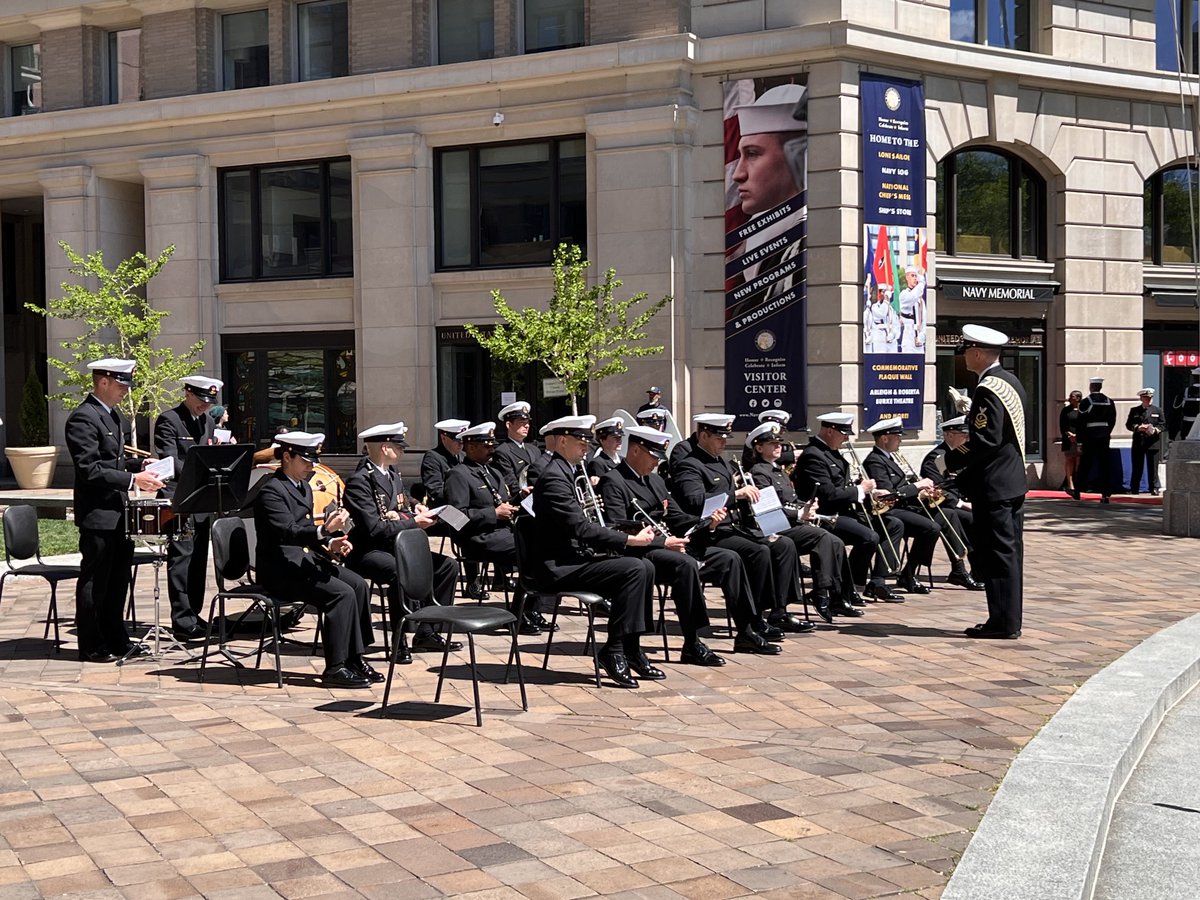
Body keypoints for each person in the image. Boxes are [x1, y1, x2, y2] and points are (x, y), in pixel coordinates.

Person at [599, 426, 763, 665]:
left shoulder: (654, 480)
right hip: (643, 551)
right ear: (635, 451)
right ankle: (692, 640)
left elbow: (675, 515)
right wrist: (662, 542)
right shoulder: (613, 480)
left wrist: (707, 523)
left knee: (728, 558)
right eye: (653, 456)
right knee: (684, 565)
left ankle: (746, 628)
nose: (656, 462)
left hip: (669, 544)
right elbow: (618, 528)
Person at [527, 415, 659, 689]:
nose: (586, 447)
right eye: (580, 441)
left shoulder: (568, 473)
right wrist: (627, 540)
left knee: (644, 565)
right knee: (633, 568)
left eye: (587, 441)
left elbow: (586, 525)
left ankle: (630, 646)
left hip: (575, 557)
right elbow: (581, 528)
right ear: (563, 441)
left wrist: (628, 534)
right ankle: (614, 650)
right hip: (560, 567)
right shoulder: (554, 479)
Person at [253, 432, 380, 687]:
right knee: (340, 594)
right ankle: (335, 667)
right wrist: (325, 531)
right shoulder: (271, 491)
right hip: (280, 568)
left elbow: (307, 531)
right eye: (306, 460)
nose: (312, 466)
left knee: (357, 585)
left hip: (303, 561)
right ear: (287, 457)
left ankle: (355, 656)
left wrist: (331, 544)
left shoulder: (301, 487)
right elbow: (288, 531)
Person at [671, 413, 809, 640]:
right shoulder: (690, 465)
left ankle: (774, 610)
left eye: (726, 437)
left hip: (734, 526)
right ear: (704, 435)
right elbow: (696, 501)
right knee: (758, 551)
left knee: (781, 544)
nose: (724, 442)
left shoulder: (722, 462)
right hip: (709, 530)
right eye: (719, 437)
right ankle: (752, 619)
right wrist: (735, 494)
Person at [66, 358, 165, 663]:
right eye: (121, 385)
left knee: (118, 580)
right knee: (96, 581)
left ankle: (116, 638)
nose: (125, 391)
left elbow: (112, 462)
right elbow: (90, 469)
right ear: (103, 381)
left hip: (118, 512)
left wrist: (139, 465)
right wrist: (133, 478)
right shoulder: (84, 417)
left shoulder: (110, 416)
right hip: (98, 514)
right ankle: (92, 644)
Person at [342, 422, 460, 662]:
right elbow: (374, 528)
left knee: (447, 566)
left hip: (396, 545)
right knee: (400, 572)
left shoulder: (392, 474)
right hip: (368, 550)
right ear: (385, 448)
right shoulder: (360, 481)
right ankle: (400, 639)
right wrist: (413, 522)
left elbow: (401, 504)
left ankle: (427, 631)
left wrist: (413, 508)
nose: (403, 451)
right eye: (398, 447)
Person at [944, 324, 1028, 639]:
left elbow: (985, 439)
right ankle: (1008, 620)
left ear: (978, 353)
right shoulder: (1011, 381)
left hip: (994, 487)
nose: (964, 356)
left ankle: (1002, 623)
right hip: (1011, 482)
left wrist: (950, 459)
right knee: (1009, 556)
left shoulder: (988, 388)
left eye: (966, 350)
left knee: (997, 556)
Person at [443, 422, 550, 635]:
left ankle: (528, 611)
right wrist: (493, 514)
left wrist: (519, 497)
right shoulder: (458, 474)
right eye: (487, 446)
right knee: (532, 551)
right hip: (476, 538)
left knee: (544, 545)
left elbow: (501, 501)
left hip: (501, 533)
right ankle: (519, 614)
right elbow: (454, 518)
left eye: (492, 445)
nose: (492, 450)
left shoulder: (492, 472)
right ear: (471, 447)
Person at [745, 421, 856, 623]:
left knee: (836, 542)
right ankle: (821, 591)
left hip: (791, 523)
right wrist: (799, 515)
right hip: (776, 526)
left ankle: (835, 593)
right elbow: (769, 508)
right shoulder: (759, 472)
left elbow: (792, 500)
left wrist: (807, 507)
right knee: (821, 537)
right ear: (759, 448)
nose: (778, 447)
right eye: (771, 444)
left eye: (779, 443)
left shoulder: (779, 471)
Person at [792, 412, 900, 607]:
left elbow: (843, 483)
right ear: (829, 431)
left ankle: (856, 585)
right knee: (868, 537)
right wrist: (860, 489)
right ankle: (845, 588)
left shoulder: (831, 451)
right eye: (843, 433)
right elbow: (828, 495)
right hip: (824, 514)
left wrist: (870, 492)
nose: (846, 438)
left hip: (845, 510)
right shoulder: (814, 455)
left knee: (890, 524)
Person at [153, 375, 221, 641]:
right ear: (188, 394)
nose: (205, 406)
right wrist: (202, 472)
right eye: (201, 400)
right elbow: (170, 460)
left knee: (198, 560)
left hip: (201, 499)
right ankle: (182, 620)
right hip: (179, 499)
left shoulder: (208, 421)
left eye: (209, 402)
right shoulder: (169, 420)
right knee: (181, 558)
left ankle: (195, 613)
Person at [862, 419, 942, 595]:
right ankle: (889, 577)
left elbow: (901, 487)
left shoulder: (890, 458)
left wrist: (922, 493)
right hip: (888, 510)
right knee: (930, 528)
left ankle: (909, 573)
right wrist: (917, 486)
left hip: (903, 507)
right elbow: (889, 495)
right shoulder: (874, 461)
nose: (900, 440)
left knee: (938, 521)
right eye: (897, 436)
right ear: (884, 438)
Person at [919, 416, 984, 591]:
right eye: (962, 435)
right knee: (966, 518)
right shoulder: (936, 458)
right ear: (948, 435)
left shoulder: (963, 454)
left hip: (960, 503)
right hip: (943, 506)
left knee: (981, 518)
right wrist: (962, 503)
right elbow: (938, 489)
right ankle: (961, 570)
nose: (967, 439)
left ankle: (980, 569)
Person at [1078, 375, 1117, 502]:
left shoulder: (1086, 401)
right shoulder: (1109, 401)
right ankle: (1105, 493)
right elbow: (1112, 420)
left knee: (1085, 464)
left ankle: (1078, 490)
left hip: (1090, 436)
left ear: (1091, 386)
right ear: (1100, 386)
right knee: (1104, 464)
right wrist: (1106, 432)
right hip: (1104, 436)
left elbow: (1081, 422)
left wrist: (1080, 440)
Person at [491, 401, 539, 491]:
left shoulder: (534, 450)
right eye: (522, 423)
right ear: (509, 425)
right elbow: (510, 483)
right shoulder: (502, 451)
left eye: (527, 422)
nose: (527, 426)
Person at [419, 418, 468, 506]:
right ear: (443, 438)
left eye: (462, 441)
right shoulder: (433, 457)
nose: (461, 445)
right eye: (456, 441)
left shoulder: (464, 456)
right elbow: (435, 490)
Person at [1126, 388, 1165, 495]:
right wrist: (1138, 427)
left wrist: (1156, 430)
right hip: (1139, 442)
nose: (1149, 400)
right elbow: (1129, 424)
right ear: (1141, 398)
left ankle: (1154, 488)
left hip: (1153, 442)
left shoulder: (1158, 410)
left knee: (1153, 467)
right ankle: (1134, 488)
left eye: (1150, 398)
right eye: (1146, 398)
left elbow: (1163, 425)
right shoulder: (1135, 410)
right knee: (1137, 466)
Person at [896, 265, 927, 354]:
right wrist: (921, 283)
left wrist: (922, 336)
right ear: (907, 277)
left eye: (916, 276)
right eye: (912, 276)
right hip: (908, 336)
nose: (915, 278)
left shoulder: (921, 301)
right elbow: (912, 297)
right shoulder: (904, 294)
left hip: (919, 337)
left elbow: (924, 321)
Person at [1059, 390, 1083, 498]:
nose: (1070, 398)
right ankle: (1070, 484)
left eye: (1072, 396)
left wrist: (1078, 435)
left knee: (1078, 461)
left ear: (1078, 398)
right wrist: (1069, 434)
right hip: (1068, 440)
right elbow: (1062, 425)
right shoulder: (1066, 411)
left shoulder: (1083, 410)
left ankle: (1078, 483)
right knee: (1069, 460)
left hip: (1080, 439)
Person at [864, 285, 900, 353]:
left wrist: (894, 335)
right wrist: (886, 300)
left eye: (884, 292)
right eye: (881, 291)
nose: (882, 294)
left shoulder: (891, 309)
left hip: (892, 342)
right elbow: (882, 313)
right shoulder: (874, 307)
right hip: (879, 339)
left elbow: (896, 325)